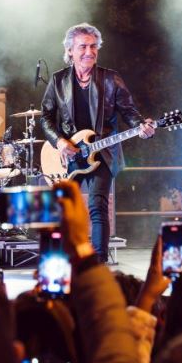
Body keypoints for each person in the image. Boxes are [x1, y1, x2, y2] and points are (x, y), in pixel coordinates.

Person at [40, 23, 155, 262]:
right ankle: (62, 260)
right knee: (62, 210)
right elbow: (47, 118)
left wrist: (141, 126)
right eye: (83, 46)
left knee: (97, 206)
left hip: (102, 152)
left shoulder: (111, 79)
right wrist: (60, 142)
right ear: (70, 50)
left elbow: (129, 112)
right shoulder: (58, 80)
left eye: (93, 47)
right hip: (69, 154)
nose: (89, 52)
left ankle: (100, 264)